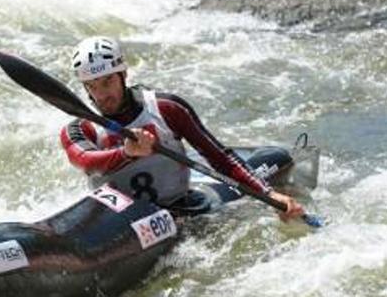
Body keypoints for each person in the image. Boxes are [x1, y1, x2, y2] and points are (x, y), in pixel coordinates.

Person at [60, 36, 305, 221]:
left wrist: (270, 195)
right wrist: (126, 153)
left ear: (123, 74)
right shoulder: (81, 127)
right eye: (92, 86)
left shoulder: (165, 108)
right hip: (118, 220)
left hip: (178, 207)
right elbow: (84, 161)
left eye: (107, 81)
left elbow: (220, 157)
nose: (102, 95)